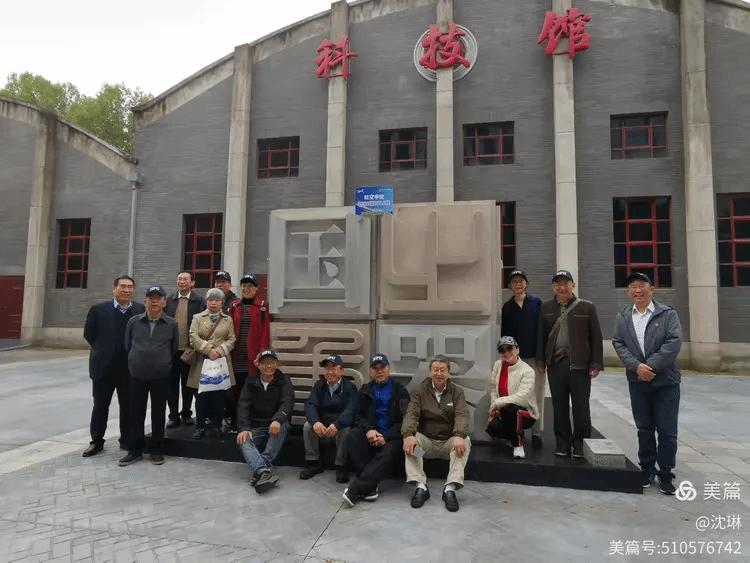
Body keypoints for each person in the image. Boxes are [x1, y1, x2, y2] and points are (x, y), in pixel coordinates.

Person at [612, 272, 683, 495]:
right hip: (638, 382)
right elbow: (619, 343)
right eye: (633, 287)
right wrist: (637, 367)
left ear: (652, 289)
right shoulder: (623, 317)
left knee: (667, 430)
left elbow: (674, 342)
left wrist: (649, 366)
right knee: (644, 428)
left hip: (666, 382)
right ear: (628, 292)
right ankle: (647, 468)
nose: (637, 290)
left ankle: (666, 473)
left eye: (642, 286)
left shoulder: (667, 314)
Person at [536, 270, 603, 459]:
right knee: (559, 407)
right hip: (556, 365)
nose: (562, 287)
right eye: (558, 284)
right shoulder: (546, 307)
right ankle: (562, 443)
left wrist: (596, 363)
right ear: (553, 287)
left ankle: (580, 444)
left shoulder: (587, 307)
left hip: (580, 366)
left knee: (581, 407)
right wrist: (541, 360)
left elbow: (596, 336)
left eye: (566, 283)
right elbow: (541, 335)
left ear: (573, 285)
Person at [82, 275, 145, 457]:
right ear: (114, 288)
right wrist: (102, 349)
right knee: (100, 406)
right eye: (123, 286)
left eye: (130, 287)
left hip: (129, 368)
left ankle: (126, 440)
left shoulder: (140, 310)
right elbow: (89, 334)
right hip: (103, 368)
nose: (126, 290)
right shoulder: (99, 309)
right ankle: (96, 441)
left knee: (128, 406)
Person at [402, 355, 471, 513]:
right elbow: (411, 413)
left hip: (449, 446)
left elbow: (462, 415)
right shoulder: (420, 390)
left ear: (448, 373)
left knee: (465, 441)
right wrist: (408, 434)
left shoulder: (457, 392)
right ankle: (420, 486)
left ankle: (450, 488)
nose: (439, 374)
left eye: (442, 370)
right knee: (411, 441)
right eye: (435, 370)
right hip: (425, 448)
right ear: (430, 371)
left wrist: (459, 435)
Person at [119, 285, 179, 467]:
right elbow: (127, 345)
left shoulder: (171, 324)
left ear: (164, 302)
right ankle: (134, 450)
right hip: (137, 375)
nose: (154, 301)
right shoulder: (134, 322)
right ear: (145, 301)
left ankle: (156, 450)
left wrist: (161, 362)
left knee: (158, 413)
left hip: (161, 376)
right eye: (151, 298)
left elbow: (173, 348)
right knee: (135, 413)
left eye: (158, 298)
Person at [341, 354, 410, 507]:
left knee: (392, 448)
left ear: (389, 369)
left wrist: (386, 437)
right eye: (375, 368)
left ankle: (358, 486)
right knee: (353, 435)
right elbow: (358, 416)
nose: (379, 371)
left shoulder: (400, 391)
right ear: (370, 372)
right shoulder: (365, 390)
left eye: (382, 367)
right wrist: (369, 431)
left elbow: (406, 420)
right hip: (371, 435)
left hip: (392, 437)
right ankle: (370, 486)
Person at [236, 349, 294, 494]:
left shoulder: (284, 380)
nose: (269, 366)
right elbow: (243, 406)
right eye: (265, 363)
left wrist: (277, 419)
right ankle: (263, 472)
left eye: (272, 362)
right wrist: (244, 427)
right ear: (258, 365)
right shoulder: (251, 381)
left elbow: (288, 402)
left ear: (277, 364)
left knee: (283, 425)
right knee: (243, 438)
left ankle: (260, 471)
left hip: (275, 425)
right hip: (256, 426)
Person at [500, 269, 545, 449]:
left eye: (521, 281)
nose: (518, 284)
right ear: (509, 286)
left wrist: (542, 357)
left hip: (535, 357)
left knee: (537, 394)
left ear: (526, 283)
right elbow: (505, 335)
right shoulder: (507, 307)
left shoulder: (536, 303)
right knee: (516, 396)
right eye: (514, 282)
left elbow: (543, 331)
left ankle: (537, 431)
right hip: (516, 361)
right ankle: (517, 429)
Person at [186, 288, 236, 439]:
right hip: (202, 361)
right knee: (201, 396)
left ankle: (217, 426)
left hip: (220, 362)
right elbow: (193, 337)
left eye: (217, 300)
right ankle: (200, 426)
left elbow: (231, 339)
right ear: (206, 302)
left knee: (219, 396)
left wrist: (219, 351)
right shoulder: (197, 318)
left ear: (222, 303)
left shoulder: (228, 319)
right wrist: (208, 350)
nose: (213, 303)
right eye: (210, 300)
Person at [300, 355, 358, 483]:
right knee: (307, 427)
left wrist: (337, 424)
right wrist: (315, 422)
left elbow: (351, 410)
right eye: (327, 368)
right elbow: (310, 405)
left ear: (342, 371)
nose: (330, 372)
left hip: (339, 427)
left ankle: (341, 466)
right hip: (323, 426)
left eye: (333, 368)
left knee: (346, 430)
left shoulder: (350, 388)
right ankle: (313, 463)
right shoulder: (319, 385)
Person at [227, 273, 270, 431]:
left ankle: (249, 423)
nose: (246, 289)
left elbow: (265, 333)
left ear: (256, 288)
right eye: (244, 286)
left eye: (250, 286)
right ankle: (235, 422)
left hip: (253, 357)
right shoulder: (234, 306)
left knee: (251, 390)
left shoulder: (263, 307)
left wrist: (262, 354)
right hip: (236, 356)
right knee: (235, 390)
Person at [165, 271, 206, 429]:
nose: (181, 282)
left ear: (192, 283)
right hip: (172, 351)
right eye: (179, 279)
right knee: (171, 385)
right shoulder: (169, 300)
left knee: (188, 385)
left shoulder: (199, 301)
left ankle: (187, 413)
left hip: (190, 350)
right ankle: (173, 415)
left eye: (185, 279)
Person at [487, 336, 539, 459]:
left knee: (512, 409)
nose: (506, 352)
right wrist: (496, 407)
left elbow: (522, 398)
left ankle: (518, 444)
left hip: (526, 412)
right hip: (504, 409)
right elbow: (493, 388)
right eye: (502, 350)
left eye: (509, 348)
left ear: (517, 350)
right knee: (492, 428)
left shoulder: (527, 371)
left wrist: (497, 403)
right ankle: (514, 434)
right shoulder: (498, 365)